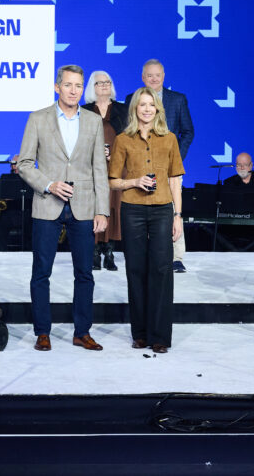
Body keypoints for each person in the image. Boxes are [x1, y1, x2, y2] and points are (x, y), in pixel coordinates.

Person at [17, 65, 109, 352]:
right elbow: (24, 163)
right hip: (47, 204)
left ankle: (82, 332)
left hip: (84, 206)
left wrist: (102, 210)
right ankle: (42, 332)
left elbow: (99, 168)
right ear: (57, 87)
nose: (73, 90)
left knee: (85, 273)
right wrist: (48, 185)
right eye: (68, 85)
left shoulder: (93, 121)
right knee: (41, 272)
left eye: (78, 86)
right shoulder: (38, 119)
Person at [108, 88, 184, 354]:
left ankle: (160, 335)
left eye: (152, 104)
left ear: (158, 109)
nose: (147, 109)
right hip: (133, 211)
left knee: (162, 271)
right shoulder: (122, 140)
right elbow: (113, 180)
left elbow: (175, 179)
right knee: (136, 271)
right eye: (142, 104)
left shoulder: (170, 139)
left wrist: (178, 215)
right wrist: (135, 181)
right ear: (135, 109)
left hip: (163, 209)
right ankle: (140, 333)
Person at [125, 59, 193, 272]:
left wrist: (175, 158)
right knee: (143, 208)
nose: (154, 79)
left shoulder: (177, 99)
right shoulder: (131, 99)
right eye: (149, 75)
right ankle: (147, 253)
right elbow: (127, 131)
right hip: (140, 166)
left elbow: (188, 131)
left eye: (157, 75)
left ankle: (176, 257)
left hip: (169, 167)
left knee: (174, 207)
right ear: (143, 77)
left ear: (163, 77)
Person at [82, 70, 127, 271]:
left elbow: (128, 140)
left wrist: (114, 154)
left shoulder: (123, 110)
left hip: (117, 168)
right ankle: (93, 252)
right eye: (100, 83)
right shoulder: (83, 111)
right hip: (90, 168)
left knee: (113, 207)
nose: (105, 85)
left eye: (108, 82)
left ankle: (109, 252)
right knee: (94, 207)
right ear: (92, 87)